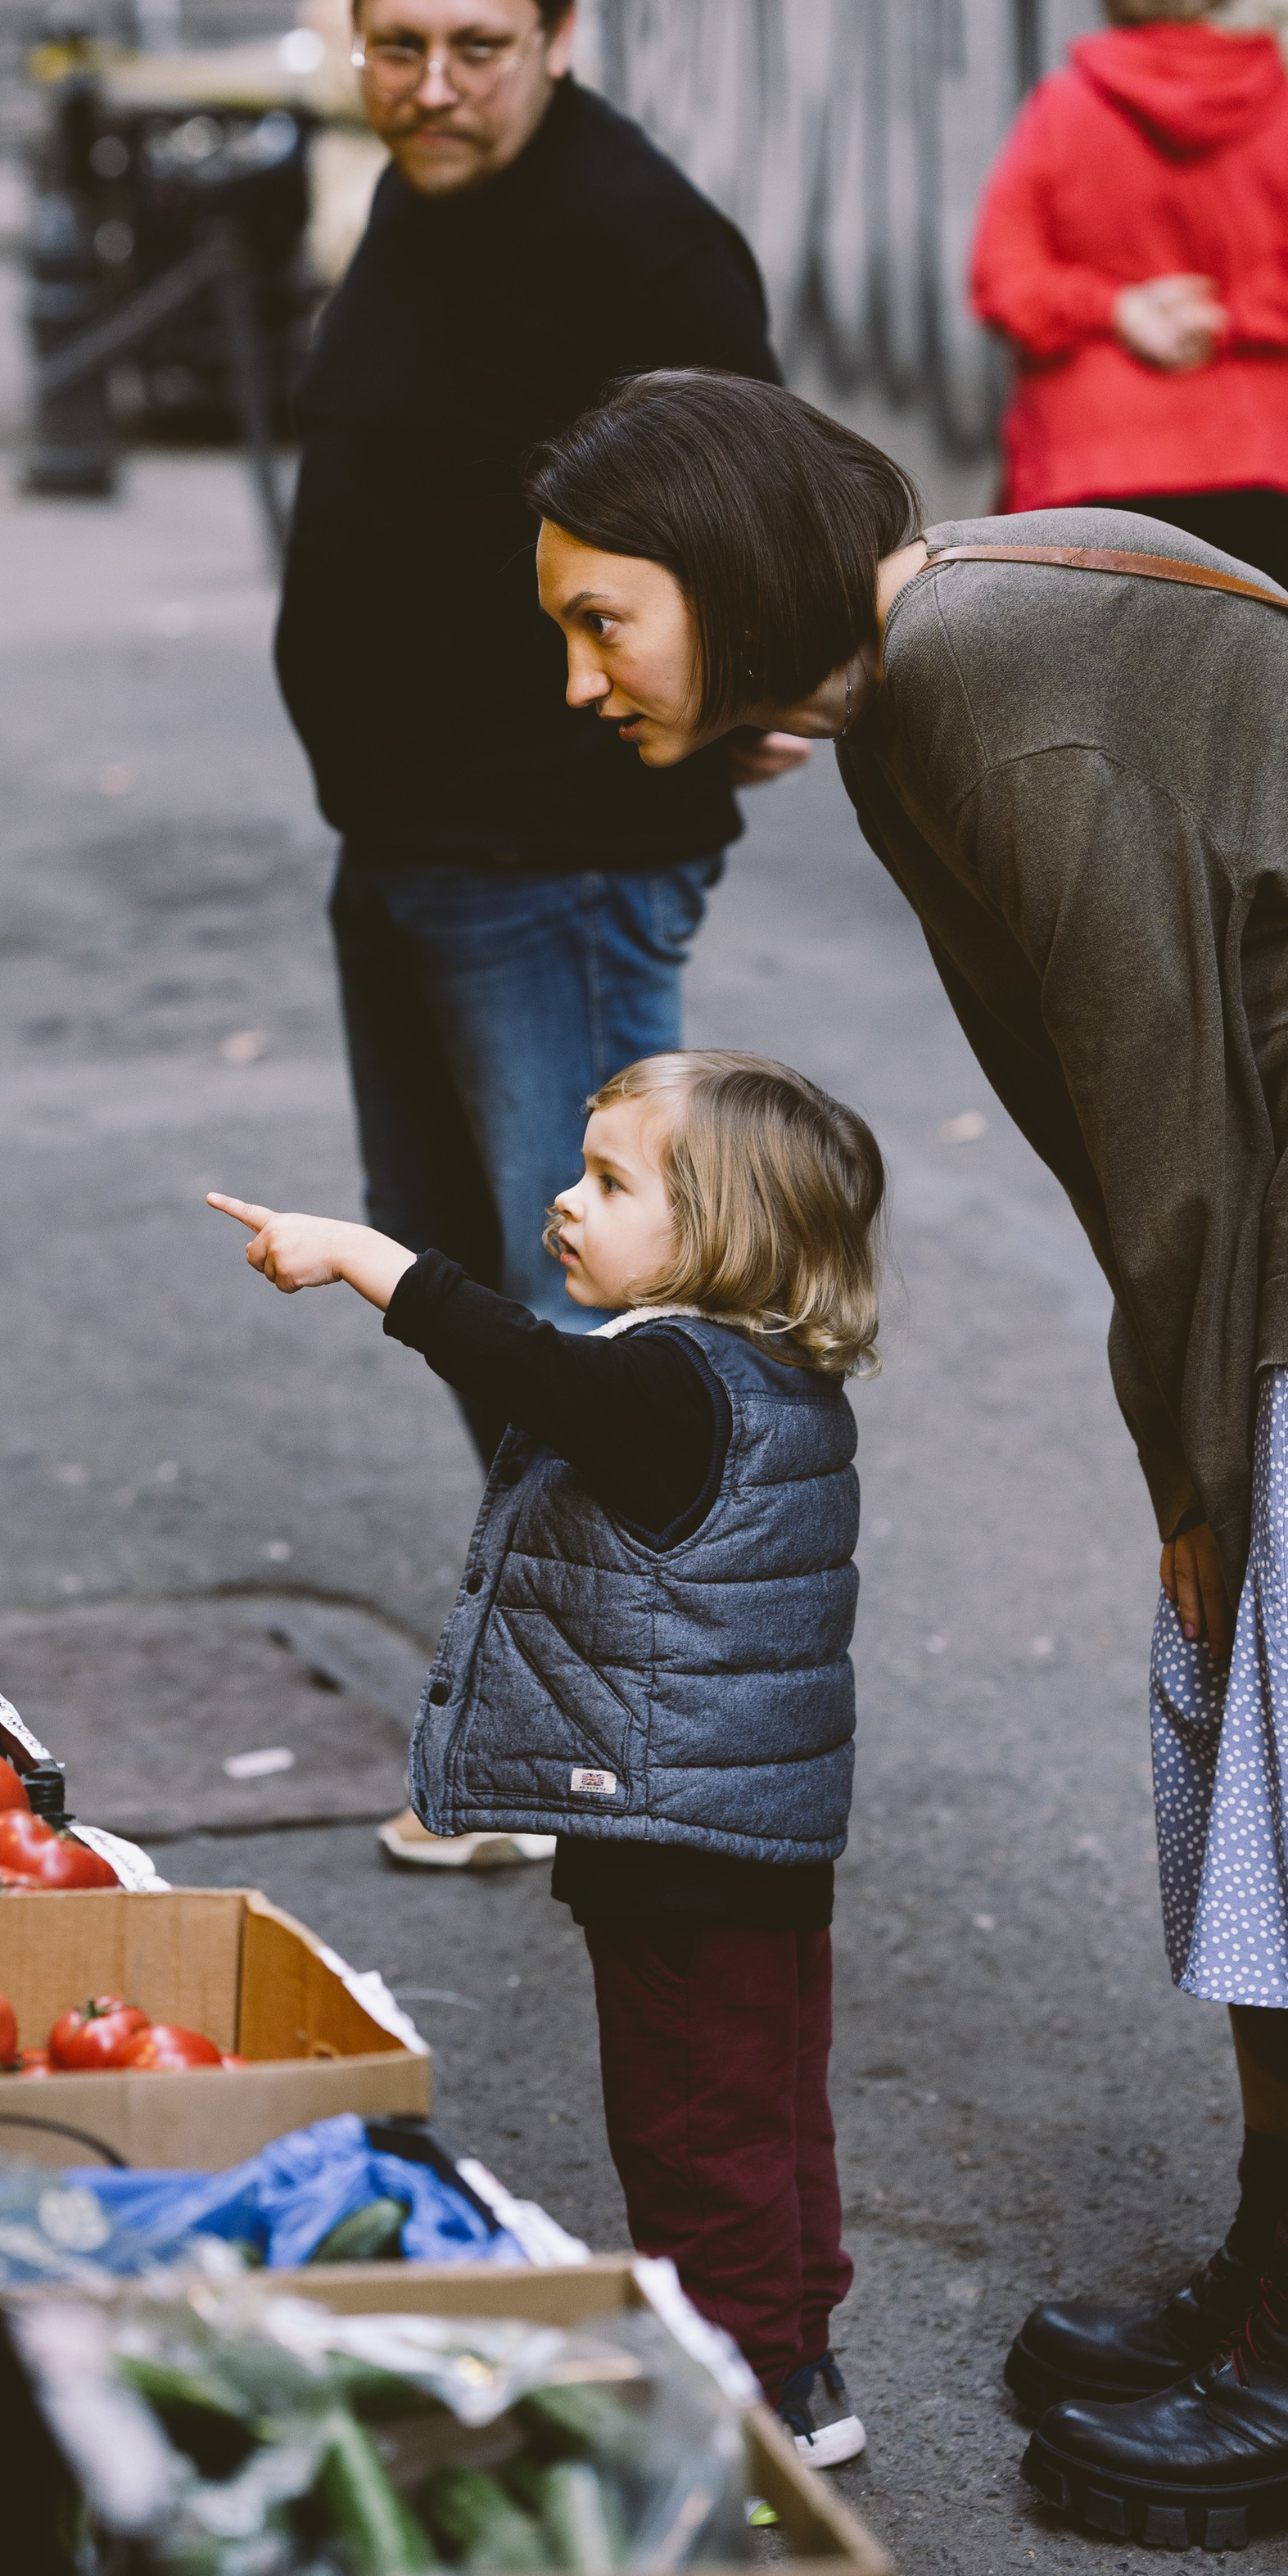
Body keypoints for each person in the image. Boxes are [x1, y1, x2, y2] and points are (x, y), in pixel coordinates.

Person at [524, 362, 1288, 2547]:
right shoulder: (933, 660)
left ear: (718, 572)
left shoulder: (987, 681)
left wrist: (1201, 1479)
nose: (577, 675)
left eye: (603, 619)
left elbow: (1167, 1129)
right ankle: (1283, 2273)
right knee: (1261, 1749)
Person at [277, 0, 797, 1873]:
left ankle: (614, 1747)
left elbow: (751, 523)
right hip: (401, 838)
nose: (426, 84)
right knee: (452, 1262)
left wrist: (716, 705)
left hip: (553, 855)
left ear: (555, 29)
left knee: (586, 1302)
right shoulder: (416, 199)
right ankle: (554, 1712)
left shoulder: (636, 242)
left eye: (474, 46)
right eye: (394, 39)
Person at [209, 1046, 885, 2465]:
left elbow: (514, 1361)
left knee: (696, 2140)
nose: (564, 1204)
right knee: (766, 2122)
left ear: (718, 1233)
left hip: (681, 1845)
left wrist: (364, 1260)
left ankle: (743, 2414)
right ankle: (797, 2367)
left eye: (609, 1182)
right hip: (754, 1826)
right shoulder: (758, 1380)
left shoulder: (670, 1384)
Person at [969, 0, 1288, 596]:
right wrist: (1227, 317)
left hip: (1094, 472)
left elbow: (1003, 279)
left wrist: (1118, 311)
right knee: (1248, 697)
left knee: (1092, 696)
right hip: (1264, 464)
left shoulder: (1063, 112)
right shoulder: (1287, 113)